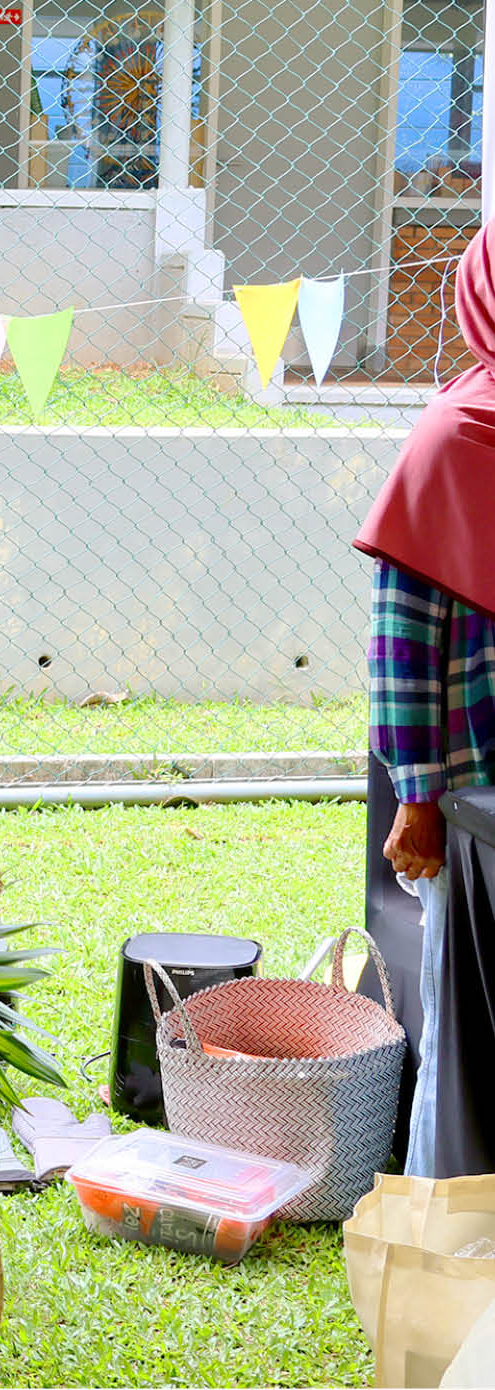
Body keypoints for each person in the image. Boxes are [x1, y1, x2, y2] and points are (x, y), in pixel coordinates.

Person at [357, 223, 495, 1178]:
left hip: (480, 811)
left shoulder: (454, 437)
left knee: (469, 1053)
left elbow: (405, 644)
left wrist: (415, 798)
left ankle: (462, 1275)